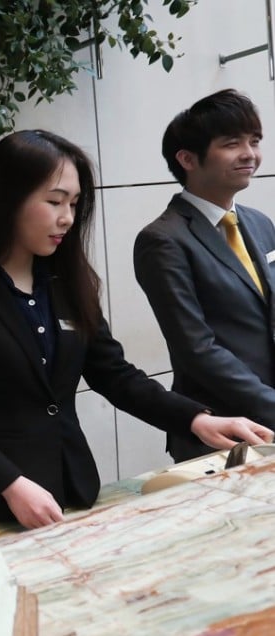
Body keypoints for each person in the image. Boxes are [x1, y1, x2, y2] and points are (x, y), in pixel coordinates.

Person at [0, 129, 272, 529]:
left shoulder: (67, 284)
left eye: (74, 203)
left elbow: (115, 375)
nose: (67, 217)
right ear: (8, 200)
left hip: (72, 490)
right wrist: (9, 483)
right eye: (54, 201)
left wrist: (196, 419)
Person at [134, 89, 275, 462]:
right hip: (220, 433)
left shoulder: (260, 224)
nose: (250, 153)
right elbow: (197, 349)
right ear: (187, 159)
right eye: (232, 143)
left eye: (254, 141)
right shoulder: (162, 240)